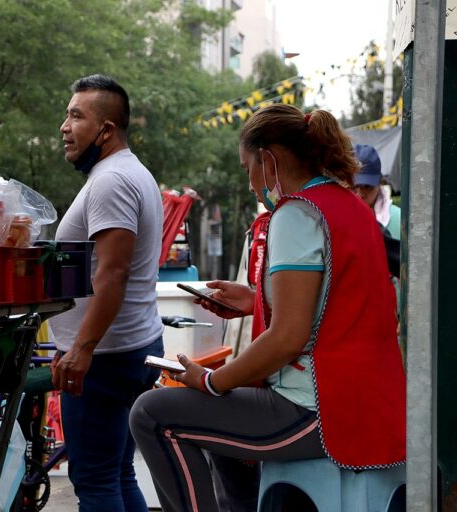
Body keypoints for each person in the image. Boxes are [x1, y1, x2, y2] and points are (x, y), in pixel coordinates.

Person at [129, 104, 405, 512]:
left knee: (151, 414)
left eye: (248, 169)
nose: (252, 184)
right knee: (222, 424)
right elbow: (334, 302)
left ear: (269, 159)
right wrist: (253, 300)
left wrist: (211, 380)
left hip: (320, 409)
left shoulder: (295, 213)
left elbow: (288, 338)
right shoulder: (349, 207)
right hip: (372, 402)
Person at [49, 74, 164, 512]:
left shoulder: (112, 181)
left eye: (76, 115)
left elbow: (112, 274)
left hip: (105, 359)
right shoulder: (125, 173)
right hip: (126, 349)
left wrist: (82, 348)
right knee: (117, 472)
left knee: (95, 480)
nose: (64, 125)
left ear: (106, 130)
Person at [353, 144, 401, 278]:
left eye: (367, 187)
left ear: (380, 182)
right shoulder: (339, 220)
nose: (360, 193)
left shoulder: (399, 219)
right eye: (354, 187)